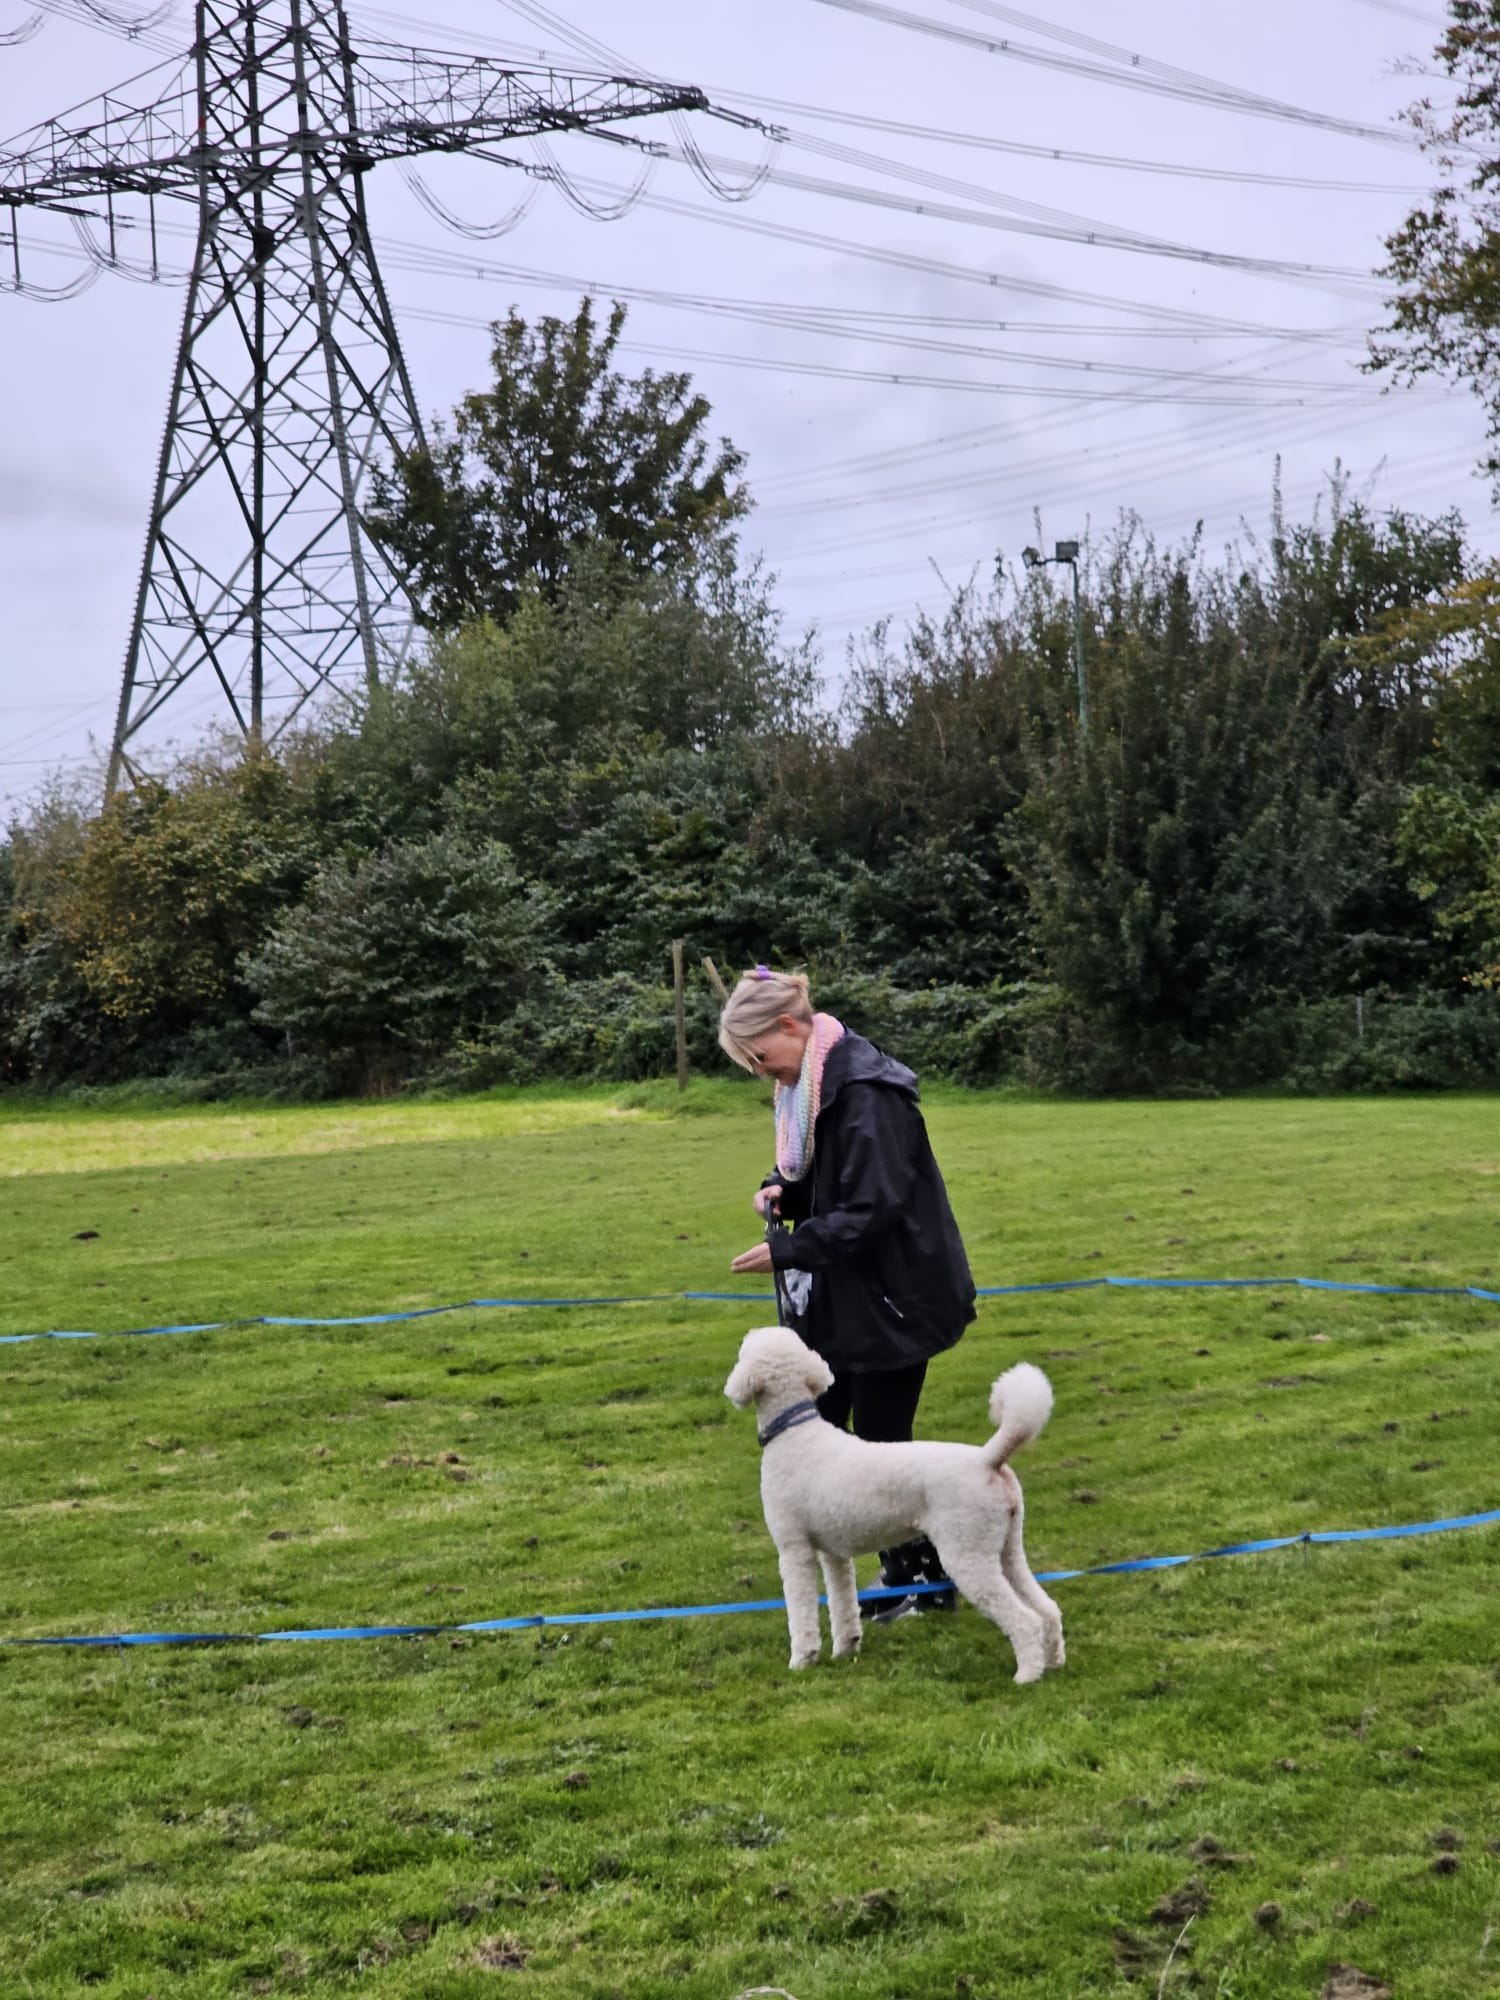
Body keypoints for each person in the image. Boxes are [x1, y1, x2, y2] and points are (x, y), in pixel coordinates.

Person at [718, 966, 976, 1620]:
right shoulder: (812, 1088)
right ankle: (895, 1578)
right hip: (851, 1290)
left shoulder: (864, 1091)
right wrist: (787, 1191)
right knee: (836, 1430)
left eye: (761, 1058)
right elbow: (828, 1176)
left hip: (897, 1291)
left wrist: (788, 1247)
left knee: (886, 1442)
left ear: (788, 1026)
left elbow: (871, 1206)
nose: (760, 1073)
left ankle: (923, 1583)